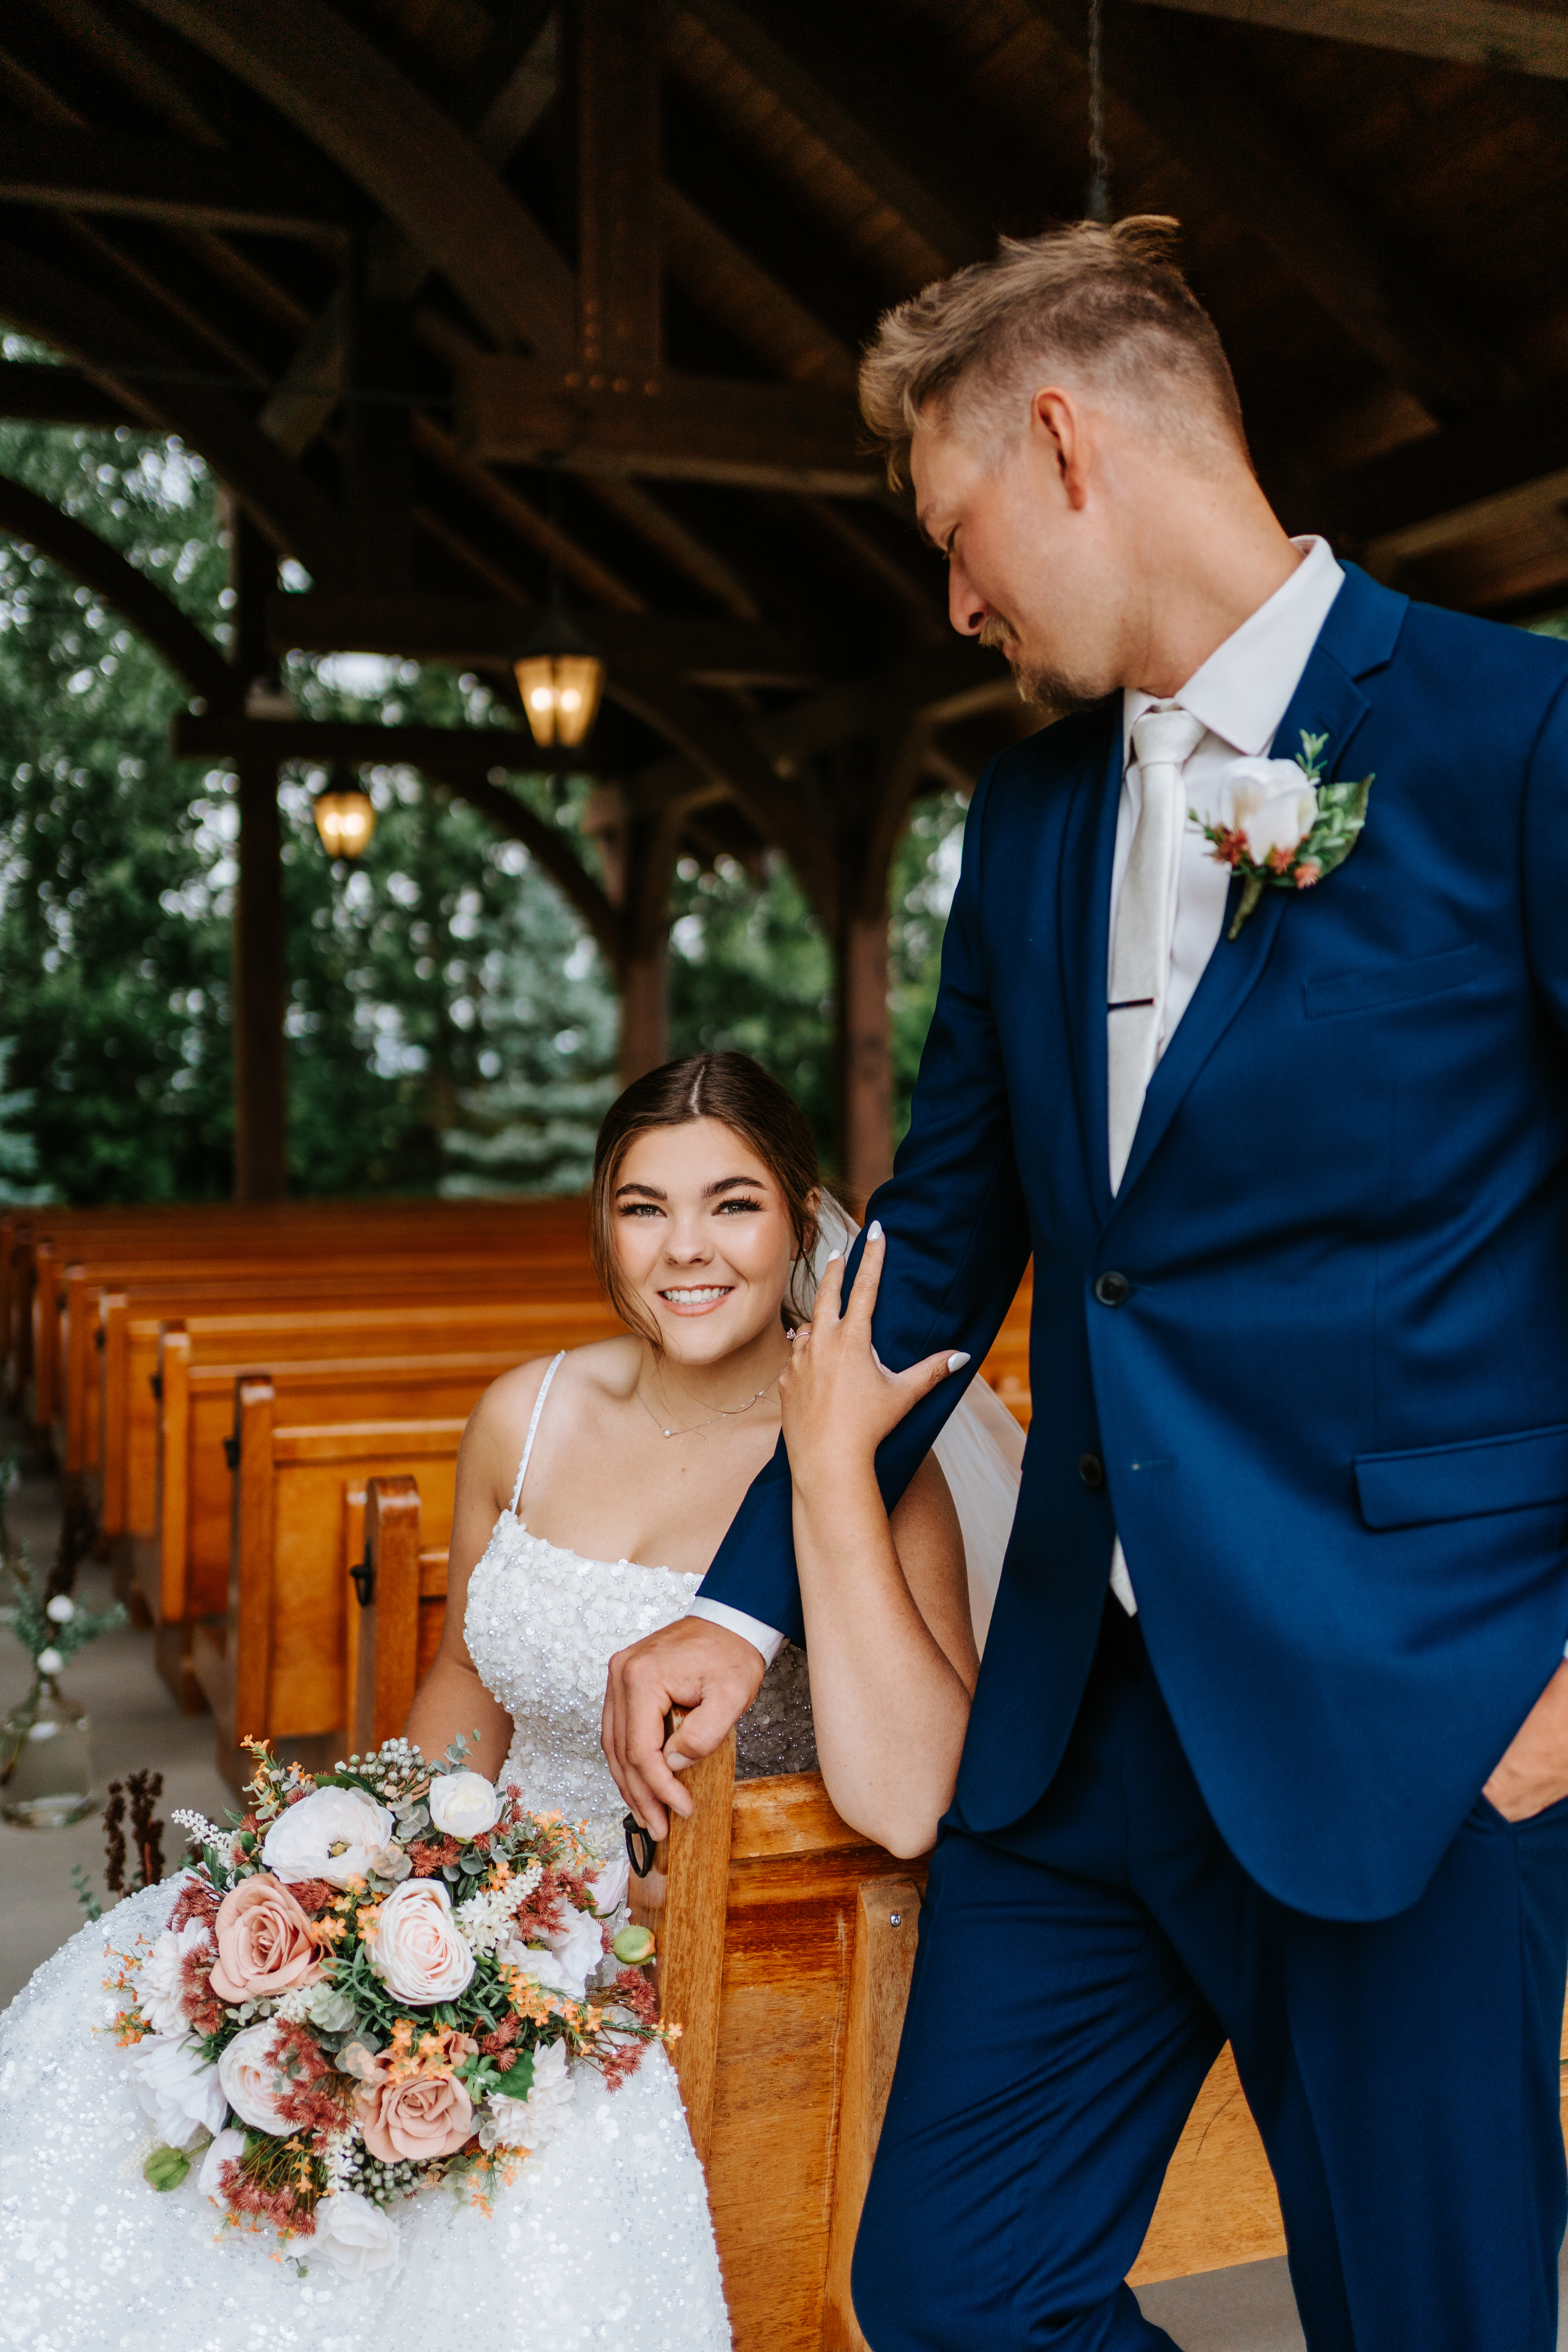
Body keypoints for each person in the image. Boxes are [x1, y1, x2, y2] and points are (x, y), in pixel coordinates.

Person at [602, 217, 1568, 2352]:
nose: (958, 603)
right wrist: (739, 1592)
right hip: (1087, 1740)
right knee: (951, 2290)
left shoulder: (1521, 736)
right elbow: (939, 1239)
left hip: (1423, 1725)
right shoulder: (1024, 822)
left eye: (958, 535)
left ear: (1062, 443)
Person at [0, 1050, 1018, 2351]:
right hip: (481, 1902)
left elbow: (916, 1800)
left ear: (800, 1217)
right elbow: (467, 1679)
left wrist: (829, 1480)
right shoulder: (527, 1415)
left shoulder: (875, 1470)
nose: (685, 1249)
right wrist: (364, 1890)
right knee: (139, 2043)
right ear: (604, 1225)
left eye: (733, 1203)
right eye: (643, 1207)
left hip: (700, 1946)